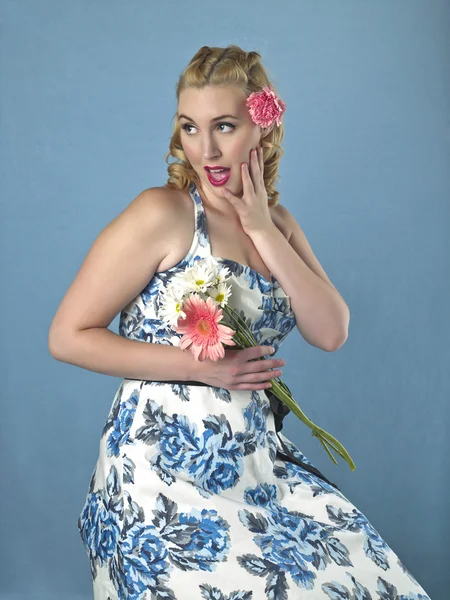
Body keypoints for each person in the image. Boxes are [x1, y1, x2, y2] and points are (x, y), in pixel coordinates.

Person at [48, 45, 431, 600]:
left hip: (256, 461)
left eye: (224, 126)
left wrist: (263, 229)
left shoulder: (278, 222)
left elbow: (331, 331)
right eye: (190, 128)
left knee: (362, 581)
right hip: (159, 471)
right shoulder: (163, 213)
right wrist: (203, 368)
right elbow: (68, 336)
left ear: (261, 127)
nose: (205, 148)